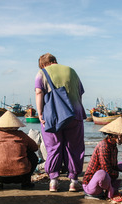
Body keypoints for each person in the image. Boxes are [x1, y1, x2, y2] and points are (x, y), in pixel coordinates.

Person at [34, 53, 86, 192]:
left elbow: (39, 92)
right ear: (55, 61)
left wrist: (39, 113)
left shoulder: (41, 73)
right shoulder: (72, 71)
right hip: (74, 113)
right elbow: (80, 93)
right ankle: (74, 181)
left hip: (51, 116)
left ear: (44, 65)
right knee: (74, 147)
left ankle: (53, 181)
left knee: (53, 147)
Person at [82, 117, 122, 202]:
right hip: (91, 185)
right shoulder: (104, 146)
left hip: (104, 180)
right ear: (117, 136)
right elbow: (106, 170)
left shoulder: (113, 147)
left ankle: (111, 189)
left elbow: (114, 167)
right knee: (102, 174)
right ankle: (106, 191)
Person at [0, 111, 38, 190]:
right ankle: (26, 183)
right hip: (21, 175)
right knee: (33, 156)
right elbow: (34, 148)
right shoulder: (22, 135)